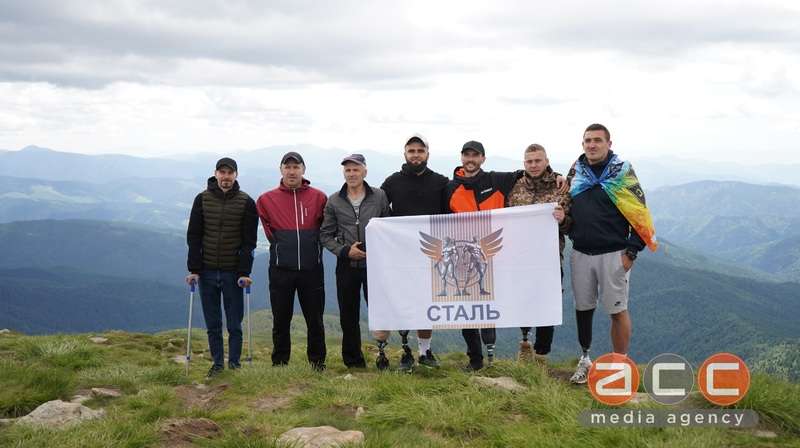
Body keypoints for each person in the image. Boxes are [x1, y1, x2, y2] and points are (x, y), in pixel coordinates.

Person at [566, 123, 658, 384]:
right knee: (583, 309)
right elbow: (566, 206)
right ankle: (585, 359)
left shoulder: (622, 172)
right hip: (581, 252)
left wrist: (632, 251)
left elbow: (639, 212)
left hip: (613, 253)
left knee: (617, 310)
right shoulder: (576, 172)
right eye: (587, 141)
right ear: (582, 144)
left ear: (609, 143)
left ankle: (620, 365)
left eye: (597, 140)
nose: (592, 145)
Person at [380, 134, 449, 370]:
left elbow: (452, 214)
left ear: (428, 154)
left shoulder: (441, 182)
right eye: (412, 151)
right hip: (400, 254)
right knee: (403, 301)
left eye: (420, 151)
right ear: (405, 154)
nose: (416, 155)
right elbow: (379, 211)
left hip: (432, 255)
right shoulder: (392, 182)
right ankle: (405, 351)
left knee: (426, 303)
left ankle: (425, 351)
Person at [186, 157, 258, 378]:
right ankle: (217, 365)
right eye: (222, 172)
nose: (226, 177)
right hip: (206, 270)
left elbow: (249, 242)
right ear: (216, 174)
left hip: (233, 272)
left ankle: (234, 365)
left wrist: (244, 272)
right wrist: (194, 269)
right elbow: (194, 236)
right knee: (213, 323)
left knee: (234, 323)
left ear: (236, 175)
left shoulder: (247, 202)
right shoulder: (202, 199)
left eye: (230, 173)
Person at [256, 152, 328, 371]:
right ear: (281, 170)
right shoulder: (266, 199)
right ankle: (279, 363)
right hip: (281, 269)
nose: (292, 171)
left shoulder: (319, 197)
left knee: (315, 319)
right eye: (287, 167)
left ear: (303, 170)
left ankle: (317, 363)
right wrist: (283, 247)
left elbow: (325, 229)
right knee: (280, 319)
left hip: (311, 268)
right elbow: (269, 231)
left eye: (296, 167)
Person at [319, 154, 391, 369]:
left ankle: (382, 354)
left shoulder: (379, 196)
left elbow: (388, 226)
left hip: (375, 266)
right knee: (348, 315)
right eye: (348, 170)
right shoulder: (334, 200)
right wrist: (345, 251)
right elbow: (325, 235)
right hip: (346, 265)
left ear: (364, 172)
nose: (351, 174)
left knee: (379, 311)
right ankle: (353, 362)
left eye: (356, 169)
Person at [506, 143, 572, 365]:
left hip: (549, 259)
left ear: (546, 161)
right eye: (529, 161)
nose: (533, 165)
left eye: (538, 160)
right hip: (520, 259)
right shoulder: (514, 187)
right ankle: (525, 344)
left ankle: (542, 355)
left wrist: (563, 220)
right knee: (523, 301)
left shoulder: (561, 188)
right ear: (524, 163)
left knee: (547, 306)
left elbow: (572, 226)